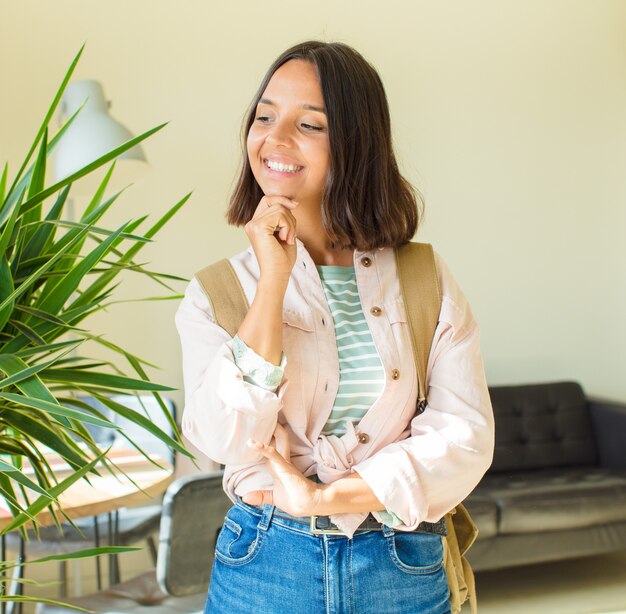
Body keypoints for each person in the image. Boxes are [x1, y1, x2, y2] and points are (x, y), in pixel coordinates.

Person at [176, 41, 494, 614]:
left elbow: (463, 437)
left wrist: (324, 498)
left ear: (355, 143)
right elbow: (222, 439)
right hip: (263, 564)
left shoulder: (424, 278)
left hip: (403, 565)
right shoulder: (216, 293)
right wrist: (271, 283)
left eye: (310, 124)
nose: (274, 139)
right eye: (264, 116)